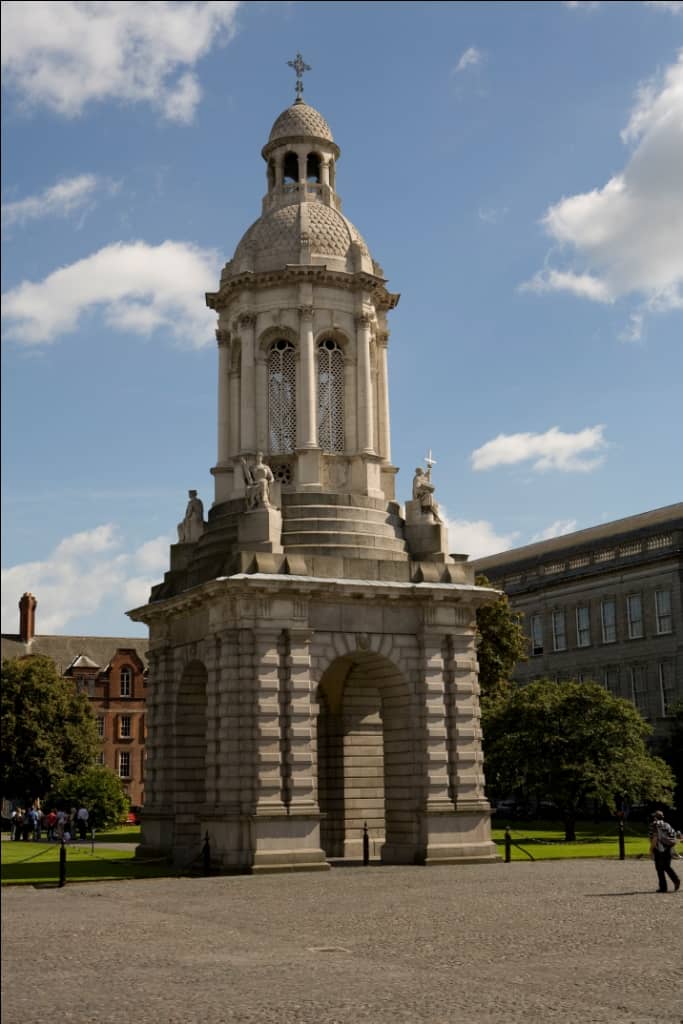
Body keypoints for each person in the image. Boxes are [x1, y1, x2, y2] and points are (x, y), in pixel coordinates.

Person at [648, 810, 680, 893]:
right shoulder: (667, 825)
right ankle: (675, 880)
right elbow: (674, 836)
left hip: (659, 848)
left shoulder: (654, 825)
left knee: (659, 868)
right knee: (667, 866)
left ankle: (663, 887)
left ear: (655, 817)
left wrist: (651, 850)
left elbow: (654, 838)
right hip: (668, 848)